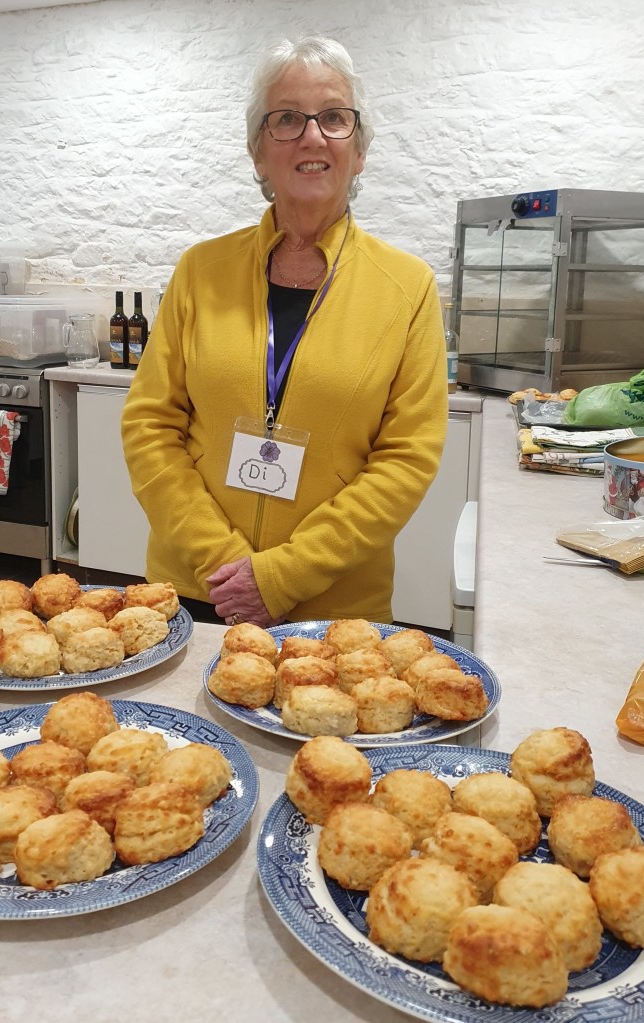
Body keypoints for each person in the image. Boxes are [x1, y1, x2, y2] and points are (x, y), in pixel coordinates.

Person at [121, 36, 447, 627]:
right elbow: (150, 426)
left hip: (333, 607)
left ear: (360, 151)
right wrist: (225, 565)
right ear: (258, 152)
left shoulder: (407, 286)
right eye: (288, 119)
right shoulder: (200, 270)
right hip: (198, 588)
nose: (313, 136)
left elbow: (407, 458)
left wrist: (281, 577)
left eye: (334, 118)